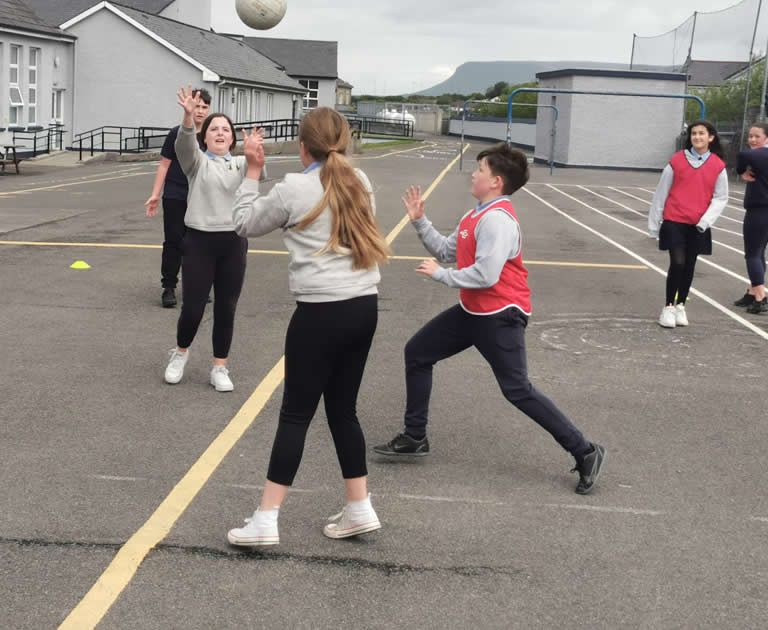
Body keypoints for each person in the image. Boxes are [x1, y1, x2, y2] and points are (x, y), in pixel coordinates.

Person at [372, 143, 605, 495]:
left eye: (480, 169)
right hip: (474, 310)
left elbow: (486, 275)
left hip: (500, 315)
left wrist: (442, 276)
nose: (474, 173)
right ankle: (415, 436)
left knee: (517, 390)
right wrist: (420, 221)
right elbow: (447, 251)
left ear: (495, 181)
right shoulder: (476, 214)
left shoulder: (498, 221)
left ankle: (585, 451)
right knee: (418, 353)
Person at [226, 107, 390, 547]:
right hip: (363, 307)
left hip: (320, 313)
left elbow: (242, 223)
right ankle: (359, 507)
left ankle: (266, 518)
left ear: (303, 147)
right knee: (343, 410)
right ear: (346, 141)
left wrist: (252, 171)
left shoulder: (293, 188)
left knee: (296, 413)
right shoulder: (361, 183)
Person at [163, 86, 262, 392]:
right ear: (204, 137)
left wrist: (255, 155)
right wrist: (188, 116)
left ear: (232, 138)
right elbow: (184, 143)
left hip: (233, 243)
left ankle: (220, 366)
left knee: (226, 307)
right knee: (193, 306)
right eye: (214, 129)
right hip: (199, 243)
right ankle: (180, 353)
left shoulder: (242, 163)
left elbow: (255, 179)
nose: (220, 133)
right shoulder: (196, 163)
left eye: (226, 130)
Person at [648, 120, 728, 328]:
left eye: (702, 133)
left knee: (690, 265)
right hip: (674, 220)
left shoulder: (718, 166)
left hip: (698, 224)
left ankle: (681, 306)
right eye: (693, 133)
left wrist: (706, 221)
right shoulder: (676, 161)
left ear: (711, 137)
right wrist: (654, 225)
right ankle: (668, 307)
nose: (697, 137)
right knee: (678, 263)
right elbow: (661, 193)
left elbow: (721, 197)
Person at [145, 88, 211, 308]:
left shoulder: (212, 134)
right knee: (173, 241)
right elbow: (164, 164)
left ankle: (196, 286)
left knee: (199, 244)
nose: (200, 111)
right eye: (197, 105)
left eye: (204, 107)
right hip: (175, 194)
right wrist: (155, 194)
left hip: (201, 196)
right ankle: (169, 287)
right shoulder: (176, 133)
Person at [734, 122, 768, 314]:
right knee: (759, 251)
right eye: (750, 136)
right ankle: (753, 290)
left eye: (757, 136)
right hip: (763, 210)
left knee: (752, 254)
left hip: (760, 210)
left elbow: (743, 154)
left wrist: (740, 171)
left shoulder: (761, 154)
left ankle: (761, 296)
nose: (752, 140)